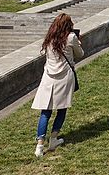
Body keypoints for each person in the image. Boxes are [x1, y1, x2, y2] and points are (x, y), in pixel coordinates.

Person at [31, 13, 83, 158]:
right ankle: (53, 138)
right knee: (61, 108)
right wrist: (78, 43)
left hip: (48, 76)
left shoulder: (49, 39)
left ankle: (40, 145)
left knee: (45, 111)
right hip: (64, 75)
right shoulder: (71, 37)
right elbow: (80, 54)